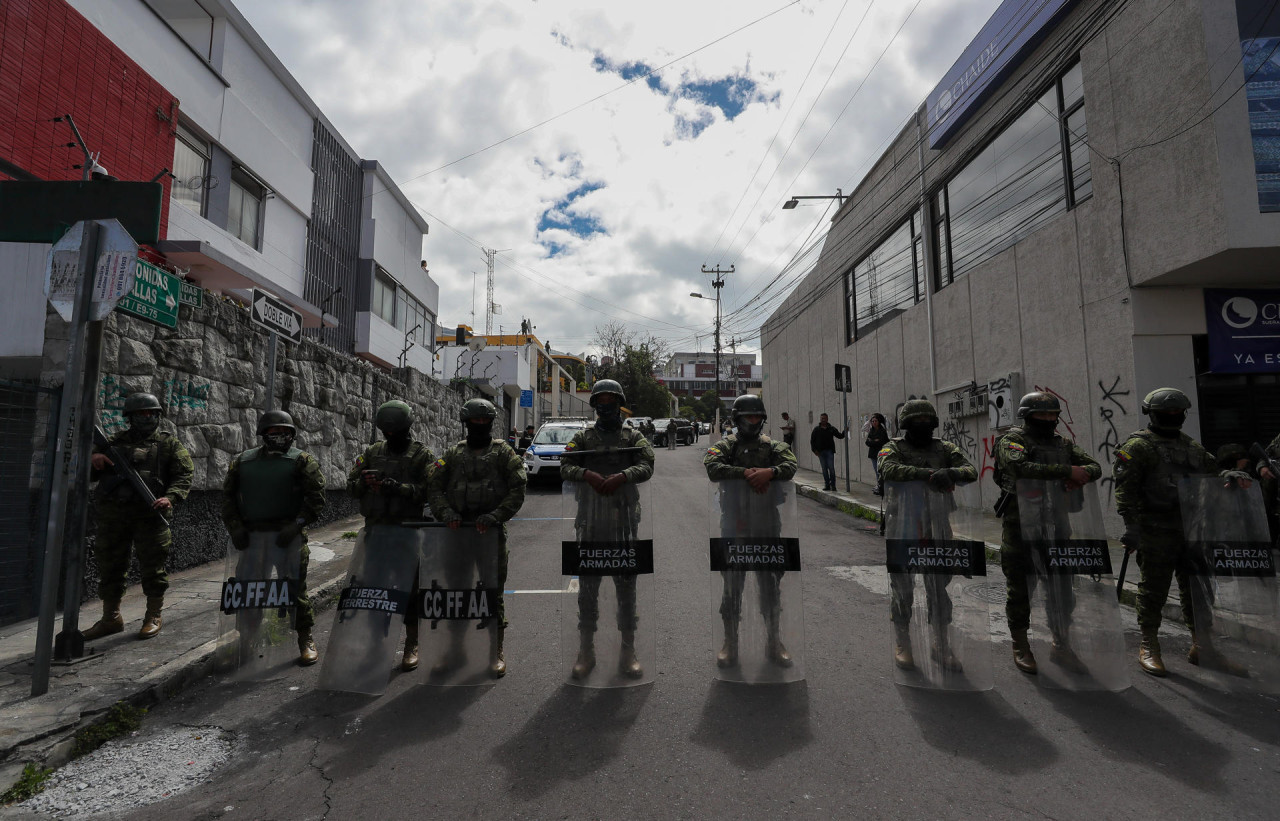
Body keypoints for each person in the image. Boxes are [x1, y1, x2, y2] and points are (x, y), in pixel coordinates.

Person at [1114, 388, 1250, 677]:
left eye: (1177, 413)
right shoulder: (1138, 447)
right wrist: (1131, 527)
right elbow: (1125, 491)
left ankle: (1203, 646)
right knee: (1153, 590)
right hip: (1155, 530)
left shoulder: (1192, 448)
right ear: (1153, 415)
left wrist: (1232, 477)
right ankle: (1149, 644)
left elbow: (1213, 475)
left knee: (1199, 591)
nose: (1173, 417)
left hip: (1192, 529)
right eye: (1167, 414)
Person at [993, 392, 1101, 675]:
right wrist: (1066, 471)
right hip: (1021, 528)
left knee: (1063, 590)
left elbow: (1093, 467)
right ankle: (1020, 645)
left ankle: (1061, 644)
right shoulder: (1011, 441)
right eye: (1042, 416)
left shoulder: (1062, 443)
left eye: (1053, 416)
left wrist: (1075, 473)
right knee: (1020, 590)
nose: (1048, 420)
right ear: (1027, 417)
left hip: (1057, 526)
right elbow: (1018, 466)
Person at [559, 379, 655, 679]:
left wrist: (623, 476)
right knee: (587, 590)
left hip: (624, 522)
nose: (605, 404)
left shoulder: (633, 435)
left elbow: (648, 463)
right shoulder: (584, 436)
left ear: (619, 402)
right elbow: (564, 464)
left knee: (626, 588)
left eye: (611, 399)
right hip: (590, 521)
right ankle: (585, 651)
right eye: (600, 399)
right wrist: (586, 473)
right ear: (595, 405)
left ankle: (629, 651)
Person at [427, 398, 527, 678]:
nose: (480, 426)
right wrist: (446, 513)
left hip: (490, 534)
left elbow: (518, 487)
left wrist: (496, 515)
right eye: (475, 421)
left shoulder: (503, 452)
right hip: (458, 535)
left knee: (491, 593)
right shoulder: (454, 454)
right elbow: (434, 485)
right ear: (466, 423)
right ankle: (455, 650)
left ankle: (495, 650)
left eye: (485, 421)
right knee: (456, 593)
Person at [83, 393, 194, 641]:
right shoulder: (112, 443)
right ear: (130, 417)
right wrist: (94, 459)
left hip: (150, 516)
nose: (148, 417)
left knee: (153, 568)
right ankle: (111, 618)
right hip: (114, 517)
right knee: (111, 566)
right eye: (142, 413)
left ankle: (153, 615)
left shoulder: (168, 444)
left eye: (152, 413)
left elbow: (184, 475)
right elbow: (87, 473)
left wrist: (171, 497)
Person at [878, 399, 977, 670]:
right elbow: (887, 469)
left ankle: (940, 644)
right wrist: (930, 474)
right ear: (906, 425)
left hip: (937, 525)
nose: (922, 427)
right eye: (916, 423)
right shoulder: (893, 447)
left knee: (938, 589)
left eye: (926, 423)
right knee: (903, 590)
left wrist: (950, 472)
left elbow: (970, 471)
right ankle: (903, 642)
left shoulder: (944, 447)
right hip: (904, 526)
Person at [222, 410, 327, 665]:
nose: (279, 436)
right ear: (263, 434)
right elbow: (228, 498)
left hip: (287, 538)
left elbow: (317, 500)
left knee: (294, 590)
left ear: (292, 435)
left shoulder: (302, 461)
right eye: (273, 432)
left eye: (285, 432)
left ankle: (305, 638)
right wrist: (235, 527)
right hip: (253, 538)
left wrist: (297, 524)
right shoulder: (243, 462)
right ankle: (246, 640)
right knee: (249, 591)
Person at [704, 394, 798, 667]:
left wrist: (769, 472)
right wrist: (747, 474)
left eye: (757, 417)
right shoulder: (726, 446)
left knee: (770, 586)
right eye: (748, 417)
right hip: (734, 524)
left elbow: (789, 465)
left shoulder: (773, 446)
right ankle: (729, 643)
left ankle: (774, 641)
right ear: (737, 419)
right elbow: (712, 467)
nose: (753, 422)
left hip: (767, 524)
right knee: (732, 586)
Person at [346, 400, 434, 671]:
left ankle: (412, 643)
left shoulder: (422, 456)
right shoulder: (372, 453)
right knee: (376, 591)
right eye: (386, 431)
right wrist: (367, 482)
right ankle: (376, 643)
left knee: (411, 591)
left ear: (409, 427)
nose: (391, 436)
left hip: (408, 532)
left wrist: (398, 488)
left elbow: (430, 491)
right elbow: (351, 487)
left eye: (396, 431)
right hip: (377, 532)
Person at [810, 413, 848, 491]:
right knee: (824, 469)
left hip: (829, 451)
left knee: (831, 469)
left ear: (827, 419)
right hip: (820, 452)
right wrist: (814, 450)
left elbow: (840, 436)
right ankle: (827, 485)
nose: (823, 420)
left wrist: (845, 431)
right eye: (822, 418)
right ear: (820, 419)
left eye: (825, 418)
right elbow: (812, 441)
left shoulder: (831, 428)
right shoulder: (816, 429)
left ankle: (833, 485)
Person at [864, 413, 890, 495]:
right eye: (872, 421)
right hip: (873, 454)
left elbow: (882, 442)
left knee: (880, 472)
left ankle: (882, 487)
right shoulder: (871, 431)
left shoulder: (882, 431)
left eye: (875, 421)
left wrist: (873, 441)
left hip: (881, 454)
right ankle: (879, 486)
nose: (874, 422)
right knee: (876, 471)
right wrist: (874, 441)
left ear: (879, 422)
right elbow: (867, 442)